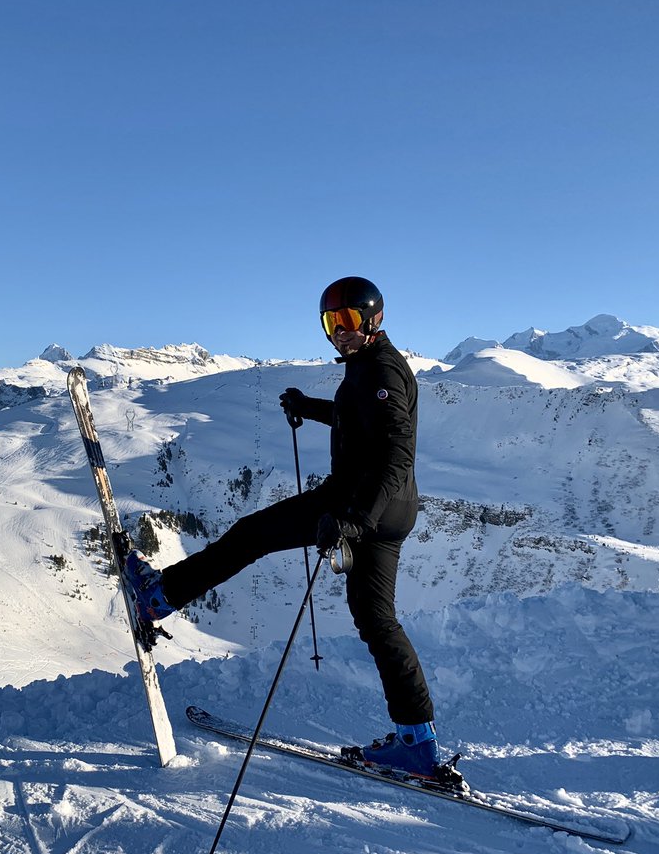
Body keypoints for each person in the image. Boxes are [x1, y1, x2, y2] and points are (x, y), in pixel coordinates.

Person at [123, 276, 442, 777]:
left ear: (374, 320)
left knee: (251, 536)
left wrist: (355, 519)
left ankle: (159, 596)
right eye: (330, 322)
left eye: (349, 320)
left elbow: (396, 451)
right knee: (378, 622)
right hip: (390, 513)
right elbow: (356, 419)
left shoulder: (381, 371)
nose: (339, 331)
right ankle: (418, 745)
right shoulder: (367, 366)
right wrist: (310, 409)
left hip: (356, 504)